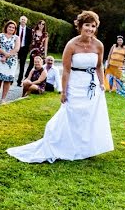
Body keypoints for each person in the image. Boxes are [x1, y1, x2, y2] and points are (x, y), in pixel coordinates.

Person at [7, 10, 114, 163]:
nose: (90, 29)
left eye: (93, 26)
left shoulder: (99, 45)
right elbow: (66, 71)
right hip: (75, 83)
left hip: (91, 85)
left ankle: (85, 147)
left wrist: (102, 83)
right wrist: (64, 91)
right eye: (87, 25)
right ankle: (65, 144)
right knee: (71, 113)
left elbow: (99, 66)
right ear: (80, 26)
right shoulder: (72, 45)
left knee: (88, 116)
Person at [0, 20, 21, 103]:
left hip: (11, 62)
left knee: (7, 80)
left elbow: (16, 49)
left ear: (15, 29)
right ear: (6, 27)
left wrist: (6, 56)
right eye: (10, 27)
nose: (11, 28)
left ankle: (3, 98)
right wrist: (4, 53)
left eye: (13, 27)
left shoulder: (16, 38)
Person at [16, 15, 31, 81]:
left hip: (24, 49)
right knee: (13, 64)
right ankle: (10, 79)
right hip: (15, 48)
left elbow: (30, 40)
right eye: (22, 19)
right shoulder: (16, 28)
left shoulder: (29, 30)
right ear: (19, 20)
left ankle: (19, 80)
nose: (23, 21)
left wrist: (27, 49)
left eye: (24, 20)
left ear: (26, 22)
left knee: (22, 66)